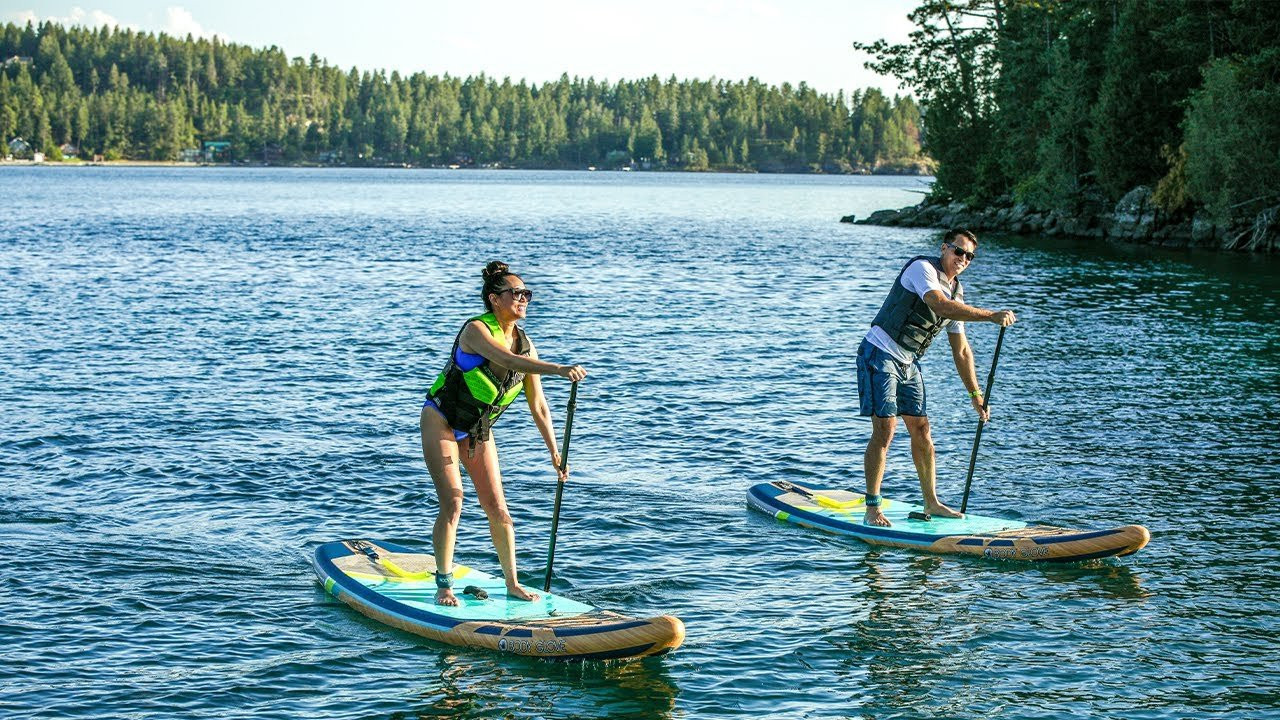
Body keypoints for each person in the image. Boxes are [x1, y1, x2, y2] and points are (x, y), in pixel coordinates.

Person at [421, 260, 587, 605]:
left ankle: (512, 583)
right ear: (495, 299)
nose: (523, 298)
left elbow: (539, 406)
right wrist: (559, 369)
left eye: (527, 294)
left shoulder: (527, 346)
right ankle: (443, 584)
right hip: (442, 421)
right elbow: (508, 362)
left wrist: (555, 454)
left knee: (499, 508)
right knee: (453, 501)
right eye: (516, 293)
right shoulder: (476, 331)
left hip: (477, 430)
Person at [856, 229, 1016, 527]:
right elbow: (939, 305)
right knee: (885, 430)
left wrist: (975, 395)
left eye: (970, 256)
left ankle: (932, 502)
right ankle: (872, 508)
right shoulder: (922, 269)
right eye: (959, 252)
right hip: (878, 353)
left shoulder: (957, 292)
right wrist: (990, 315)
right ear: (944, 248)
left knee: (922, 428)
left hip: (908, 362)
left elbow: (962, 350)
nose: (963, 259)